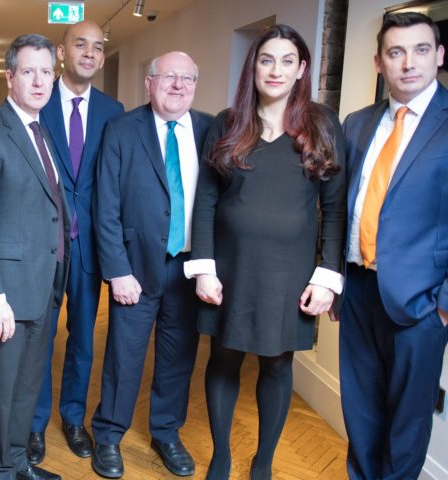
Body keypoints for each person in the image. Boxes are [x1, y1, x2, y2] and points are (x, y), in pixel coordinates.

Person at [340, 12, 448, 479]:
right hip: (357, 292)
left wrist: (445, 310)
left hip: (422, 305)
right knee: (362, 414)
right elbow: (345, 207)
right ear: (379, 62)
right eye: (395, 52)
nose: (408, 62)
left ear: (440, 56)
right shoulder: (356, 123)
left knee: (406, 427)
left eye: (420, 50)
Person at [187, 25, 346, 480]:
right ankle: (220, 456)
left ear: (301, 70)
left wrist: (326, 277)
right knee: (224, 358)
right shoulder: (227, 122)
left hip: (290, 273)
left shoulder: (323, 124)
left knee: (277, 364)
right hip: (231, 269)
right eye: (266, 60)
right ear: (252, 67)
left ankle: (264, 463)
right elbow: (206, 202)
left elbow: (334, 210)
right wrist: (204, 269)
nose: (275, 70)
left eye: (286, 61)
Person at [91, 51, 213, 479]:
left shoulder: (208, 129)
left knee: (179, 358)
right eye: (168, 77)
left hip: (189, 268)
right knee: (124, 357)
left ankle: (166, 432)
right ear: (149, 82)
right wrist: (117, 269)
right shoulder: (122, 130)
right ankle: (108, 435)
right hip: (136, 269)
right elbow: (105, 205)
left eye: (187, 78)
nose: (178, 85)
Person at [0, 34, 69, 480]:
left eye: (46, 71)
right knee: (0, 391)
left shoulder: (41, 130)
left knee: (26, 387)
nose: (39, 80)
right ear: (10, 77)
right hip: (5, 293)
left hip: (42, 285)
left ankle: (16, 463)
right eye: (29, 71)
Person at [28, 20, 124, 464]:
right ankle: (32, 425)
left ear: (102, 58)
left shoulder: (114, 111)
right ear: (62, 52)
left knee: (83, 339)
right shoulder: (37, 103)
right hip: (42, 245)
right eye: (80, 44)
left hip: (90, 248)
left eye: (98, 47)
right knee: (38, 339)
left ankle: (72, 417)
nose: (89, 52)